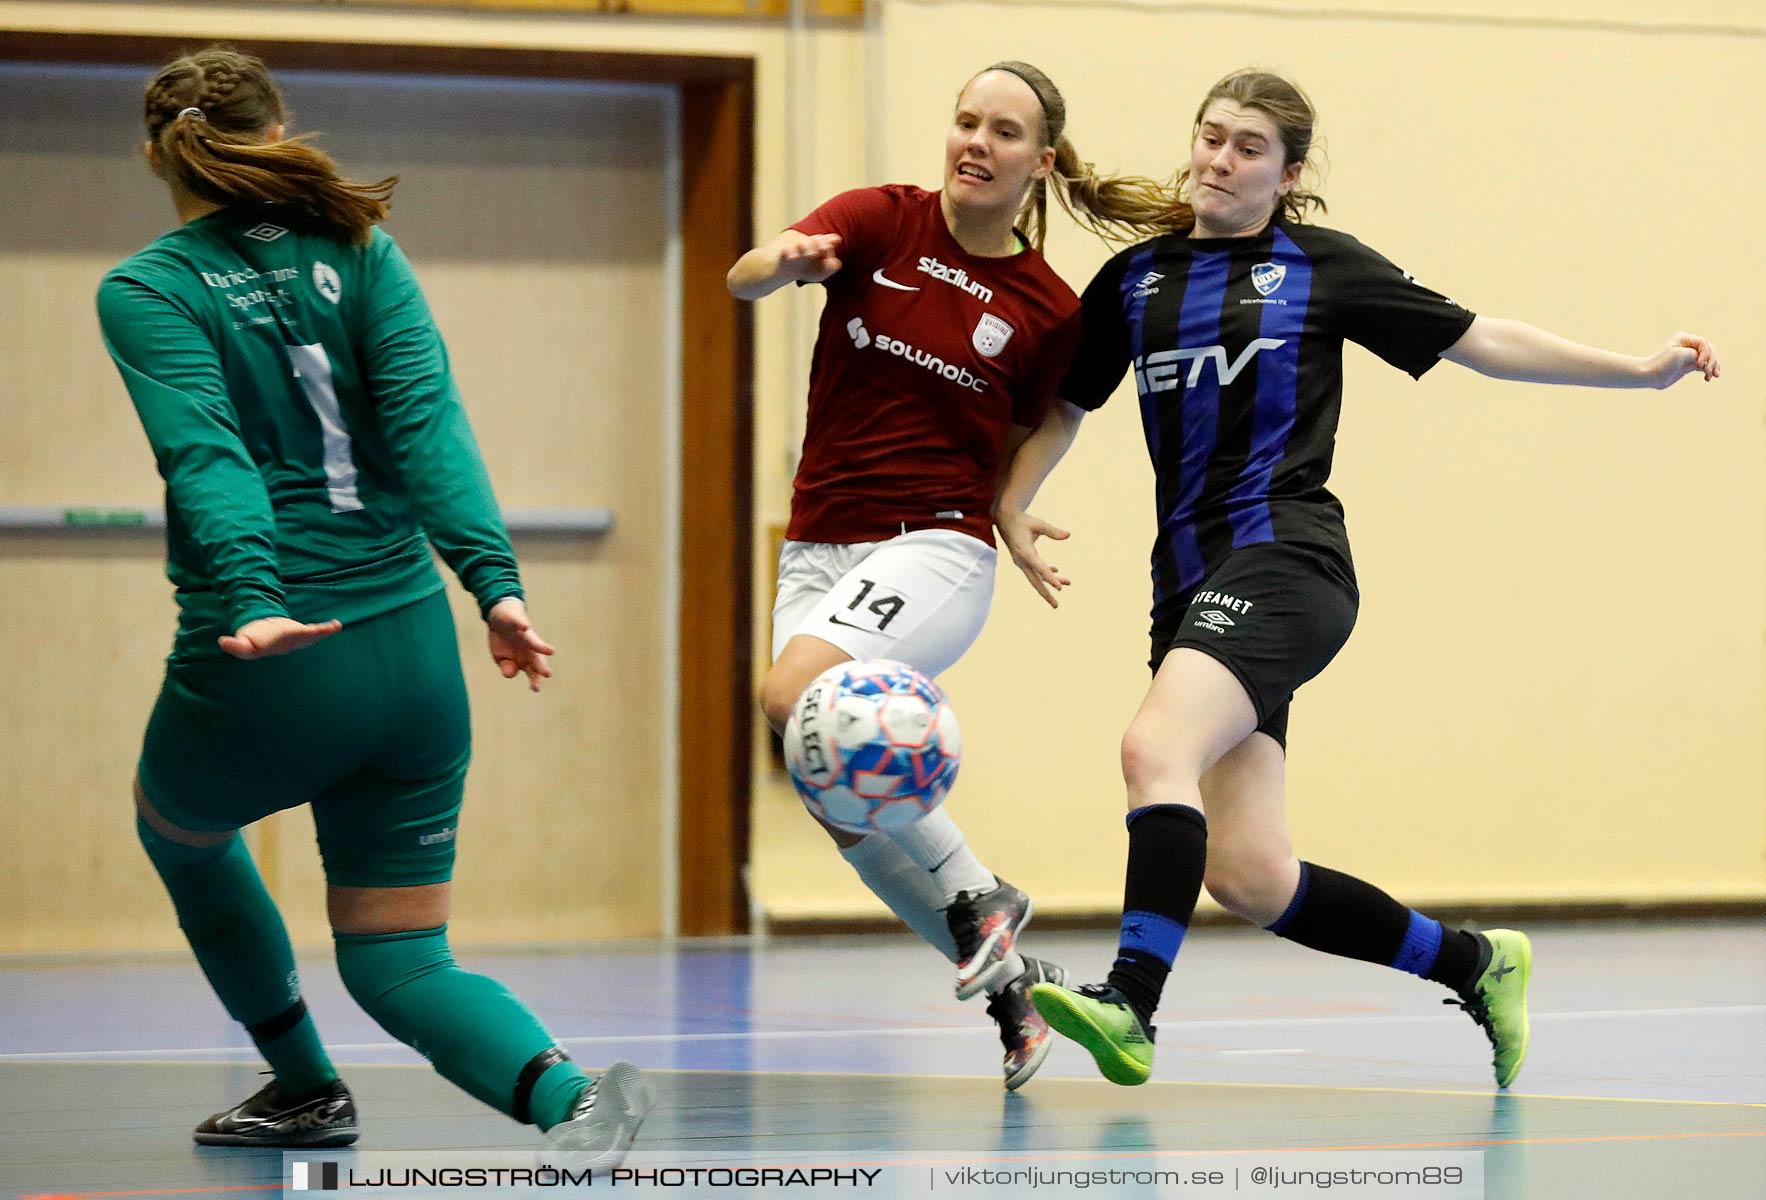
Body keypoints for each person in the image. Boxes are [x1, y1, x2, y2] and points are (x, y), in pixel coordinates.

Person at [996, 68, 1721, 1090]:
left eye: (1247, 147)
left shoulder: (1317, 268)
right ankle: (1475, 963)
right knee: (1248, 875)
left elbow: (1482, 340)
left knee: (1150, 744)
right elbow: (1066, 406)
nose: (1217, 159)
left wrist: (1637, 371)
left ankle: (1131, 1004)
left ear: (1287, 175)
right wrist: (1009, 503)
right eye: (1209, 137)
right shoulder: (1135, 282)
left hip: (1288, 559)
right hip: (1187, 586)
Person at [97, 47, 652, 1163]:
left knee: (184, 832)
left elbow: (207, 453)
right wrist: (492, 585)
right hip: (411, 652)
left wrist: (251, 597)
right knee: (402, 957)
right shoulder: (362, 246)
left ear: (158, 155)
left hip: (276, 657)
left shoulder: (148, 287)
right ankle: (568, 1101)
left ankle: (302, 1086)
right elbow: (428, 423)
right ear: (278, 125)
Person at [728, 61, 1164, 1089]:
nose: (975, 142)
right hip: (818, 543)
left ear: (1038, 163)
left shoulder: (1047, 308)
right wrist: (783, 262)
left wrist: (1008, 512)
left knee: (793, 696)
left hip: (935, 543)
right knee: (832, 784)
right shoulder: (878, 221)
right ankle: (1009, 983)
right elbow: (742, 275)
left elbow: (1040, 425)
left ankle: (977, 896)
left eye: (1002, 132)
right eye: (965, 121)